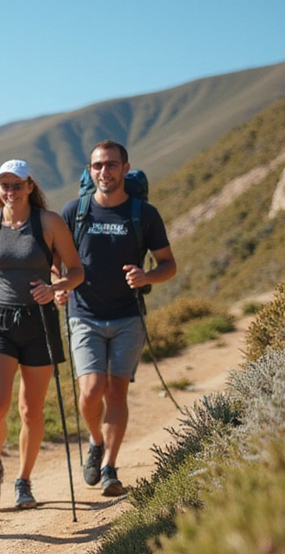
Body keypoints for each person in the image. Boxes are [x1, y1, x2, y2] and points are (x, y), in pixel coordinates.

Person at [58, 141, 176, 496]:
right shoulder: (74, 211)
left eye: (111, 165)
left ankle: (109, 466)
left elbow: (168, 264)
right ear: (89, 170)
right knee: (91, 390)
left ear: (126, 168)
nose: (104, 172)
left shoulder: (143, 214)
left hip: (127, 316)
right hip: (84, 313)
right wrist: (57, 283)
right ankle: (96, 442)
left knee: (116, 391)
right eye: (97, 166)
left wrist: (147, 277)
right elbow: (54, 259)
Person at [0, 160, 85, 509]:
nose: (10, 191)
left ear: (30, 186)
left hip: (40, 322)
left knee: (31, 411)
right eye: (4, 185)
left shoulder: (49, 222)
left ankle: (24, 480)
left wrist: (56, 288)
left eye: (17, 185)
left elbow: (77, 270)